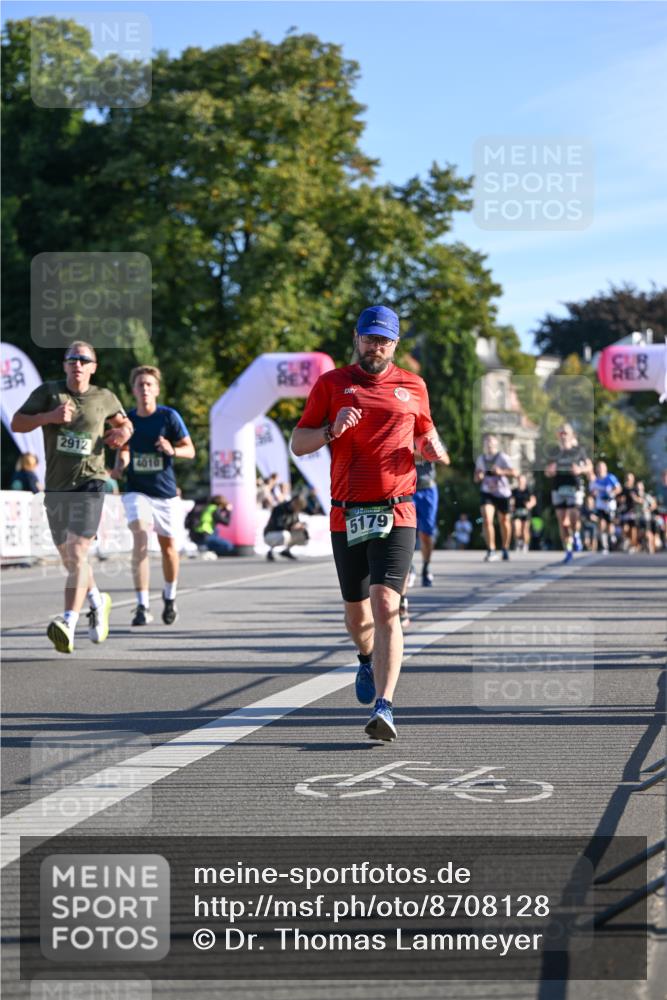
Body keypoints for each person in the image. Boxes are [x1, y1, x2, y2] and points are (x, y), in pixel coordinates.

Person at [290, 304, 449, 742]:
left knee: (386, 605)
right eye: (368, 337)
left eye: (384, 340)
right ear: (356, 338)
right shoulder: (332, 384)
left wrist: (434, 449)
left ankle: (385, 706)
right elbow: (298, 443)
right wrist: (330, 431)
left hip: (397, 509)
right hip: (347, 512)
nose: (375, 346)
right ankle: (365, 657)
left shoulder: (413, 386)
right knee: (357, 614)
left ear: (395, 344)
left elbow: (427, 437)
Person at [10, 341, 132, 653]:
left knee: (78, 553)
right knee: (69, 559)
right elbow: (17, 423)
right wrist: (49, 417)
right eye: (71, 359)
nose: (77, 364)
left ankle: (68, 622)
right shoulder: (49, 393)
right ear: (65, 365)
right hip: (56, 487)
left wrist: (124, 435)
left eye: (83, 359)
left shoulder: (104, 397)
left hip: (91, 482)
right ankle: (97, 599)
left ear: (93, 366)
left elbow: (124, 424)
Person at [112, 366, 195, 626]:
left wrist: (172, 449)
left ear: (157, 389)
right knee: (140, 538)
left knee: (169, 550)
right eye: (140, 385)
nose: (145, 389)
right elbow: (124, 450)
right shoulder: (127, 420)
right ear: (134, 390)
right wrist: (121, 465)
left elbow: (190, 451)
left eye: (149, 384)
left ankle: (169, 598)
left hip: (165, 493)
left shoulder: (169, 417)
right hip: (137, 490)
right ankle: (141, 605)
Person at [545, 423, 592, 563]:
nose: (563, 435)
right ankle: (568, 549)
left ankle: (576, 534)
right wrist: (549, 471)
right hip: (558, 487)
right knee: (562, 520)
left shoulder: (579, 451)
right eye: (561, 433)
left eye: (566, 433)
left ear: (572, 435)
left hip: (574, 486)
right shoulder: (554, 452)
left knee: (573, 516)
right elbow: (547, 471)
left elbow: (589, 466)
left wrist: (580, 470)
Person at [474, 434, 518, 561]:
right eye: (487, 443)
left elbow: (514, 472)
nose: (489, 445)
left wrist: (501, 472)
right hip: (487, 492)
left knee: (504, 521)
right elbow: (476, 477)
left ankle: (505, 547)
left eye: (491, 443)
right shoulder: (481, 459)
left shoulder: (502, 458)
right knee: (487, 519)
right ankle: (491, 550)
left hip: (503, 493)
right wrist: (479, 476)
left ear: (496, 445)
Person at [413, 448, 449, 585]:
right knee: (406, 530)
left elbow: (446, 459)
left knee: (426, 534)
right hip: (407, 489)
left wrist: (424, 454)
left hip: (428, 489)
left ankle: (426, 567)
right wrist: (426, 455)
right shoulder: (400, 430)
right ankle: (407, 568)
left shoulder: (428, 434)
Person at [588, 460, 621, 553]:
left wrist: (612, 493)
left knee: (610, 525)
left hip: (610, 505)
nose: (601, 469)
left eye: (602, 467)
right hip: (600, 505)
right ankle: (604, 545)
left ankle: (611, 541)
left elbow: (619, 488)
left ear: (605, 468)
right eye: (599, 467)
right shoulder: (595, 480)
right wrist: (594, 494)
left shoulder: (610, 478)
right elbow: (591, 492)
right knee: (601, 524)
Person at [264, 495, 309, 560]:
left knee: (303, 536)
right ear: (294, 502)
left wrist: (301, 526)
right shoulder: (280, 508)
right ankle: (270, 551)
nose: (299, 509)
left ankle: (286, 551)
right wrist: (292, 527)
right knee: (285, 535)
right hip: (270, 534)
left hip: (285, 532)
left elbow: (296, 523)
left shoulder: (294, 511)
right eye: (299, 507)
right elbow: (278, 526)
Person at [511, 474, 536, 552]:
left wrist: (529, 505)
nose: (521, 482)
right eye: (519, 480)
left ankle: (525, 544)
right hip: (517, 511)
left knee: (525, 529)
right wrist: (511, 505)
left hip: (525, 511)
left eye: (522, 480)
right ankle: (518, 542)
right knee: (517, 528)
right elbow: (511, 500)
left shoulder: (528, 490)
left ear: (525, 481)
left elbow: (534, 501)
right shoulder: (514, 491)